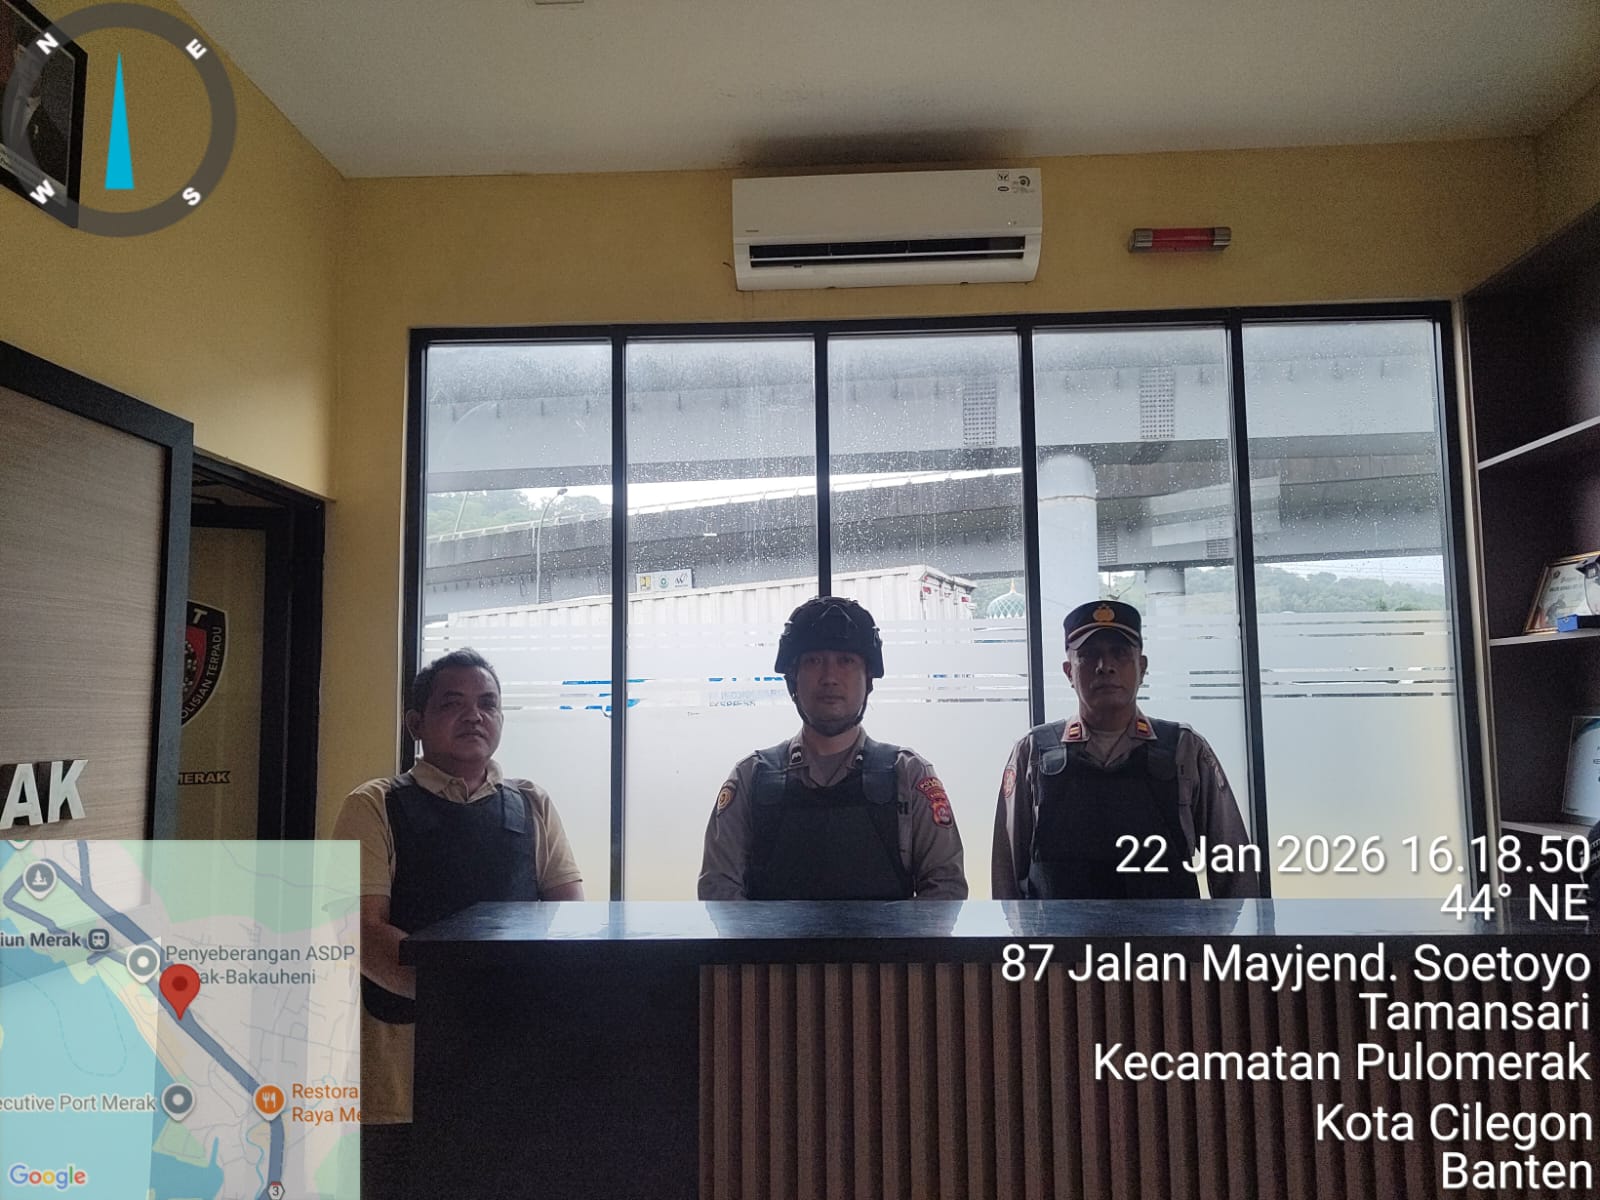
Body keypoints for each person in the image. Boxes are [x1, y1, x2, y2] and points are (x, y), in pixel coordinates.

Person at [333, 648, 583, 1196]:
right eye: (453, 703)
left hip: (514, 1057)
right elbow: (361, 931)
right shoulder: (374, 805)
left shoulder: (532, 804)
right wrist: (462, 1000)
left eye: (488, 703)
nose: (475, 715)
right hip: (401, 1064)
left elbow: (567, 921)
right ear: (415, 723)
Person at [698, 596, 967, 900]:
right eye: (814, 661)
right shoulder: (752, 778)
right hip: (765, 937)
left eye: (846, 661)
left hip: (889, 937)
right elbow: (718, 890)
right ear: (793, 680)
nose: (829, 678)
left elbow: (946, 889)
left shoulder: (908, 776)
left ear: (868, 678)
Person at [991, 599, 1260, 900]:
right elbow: (1007, 880)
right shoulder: (1033, 753)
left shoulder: (1185, 750)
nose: (1105, 667)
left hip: (1167, 932)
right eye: (1088, 656)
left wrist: (1241, 930)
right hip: (1059, 934)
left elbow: (1235, 870)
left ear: (1142, 668)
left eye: (1119, 653)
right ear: (1068, 672)